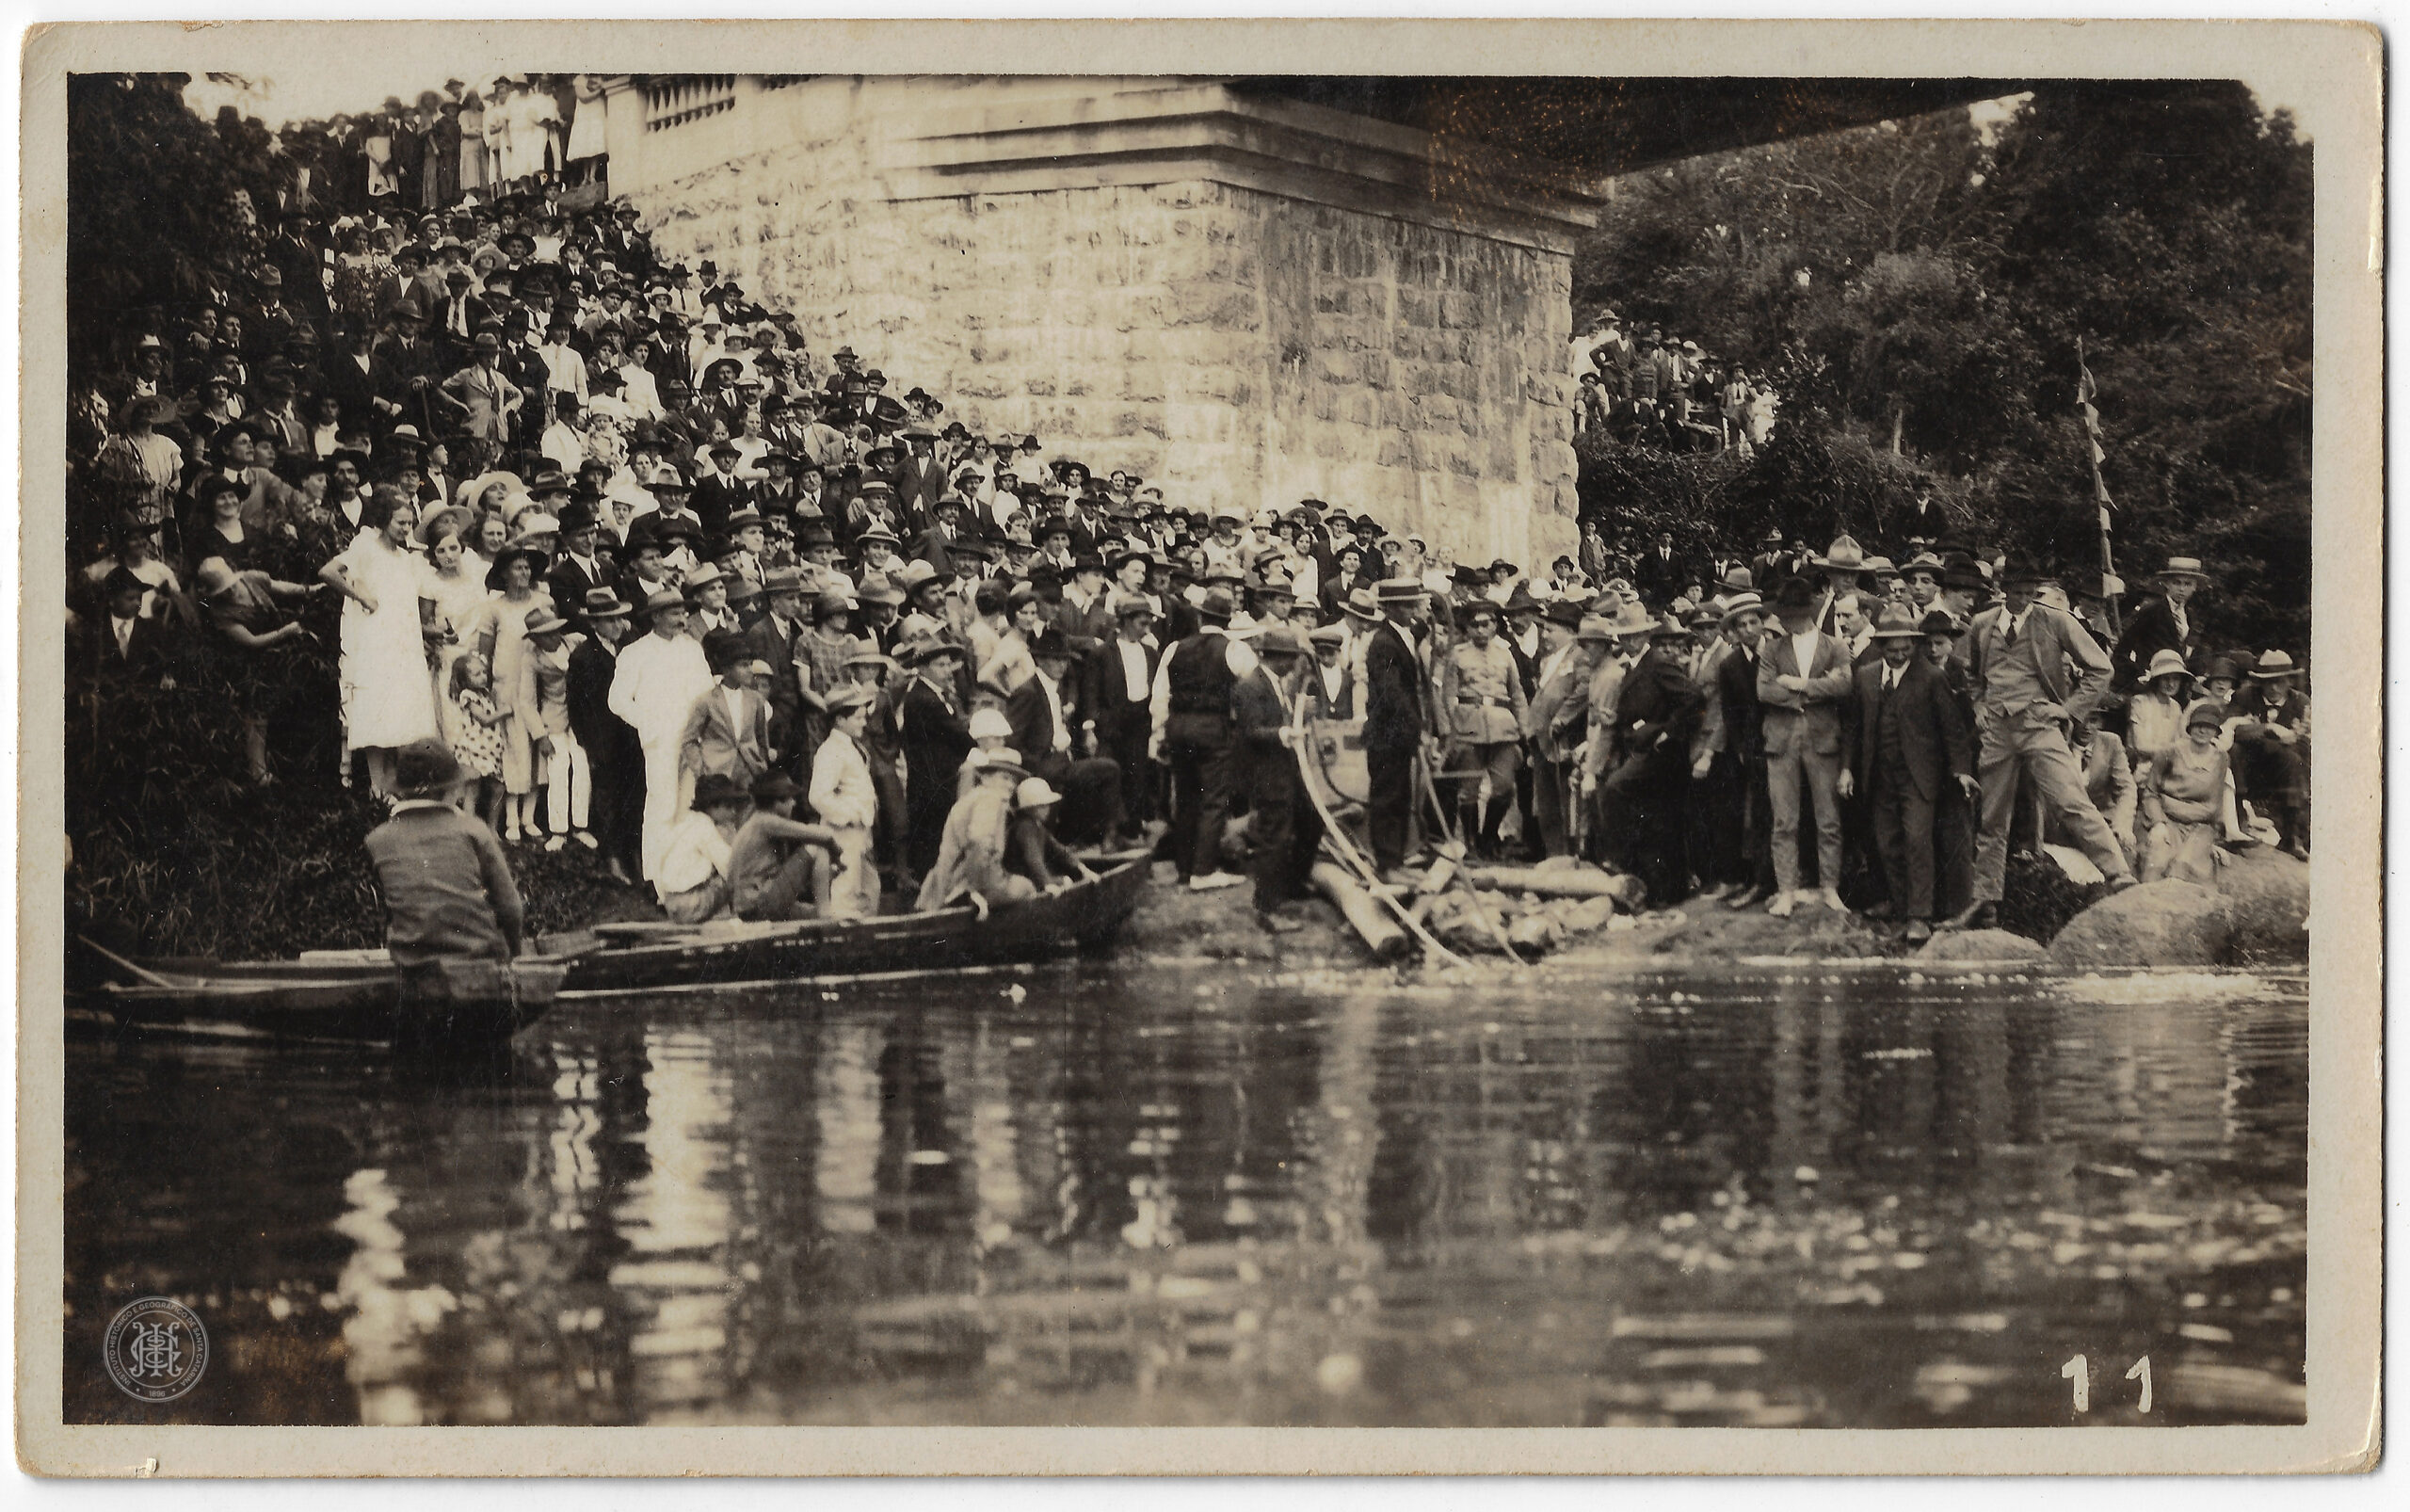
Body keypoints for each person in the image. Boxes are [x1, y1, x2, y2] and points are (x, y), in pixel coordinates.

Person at [1837, 604, 1976, 943]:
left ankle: (1919, 916)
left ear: (1914, 644)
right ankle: (1901, 907)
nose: (1900, 655)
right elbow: (1853, 727)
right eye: (1893, 650)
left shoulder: (1931, 677)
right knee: (1886, 843)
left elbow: (1952, 730)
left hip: (1919, 777)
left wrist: (1961, 771)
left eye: (1906, 649)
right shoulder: (1865, 676)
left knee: (1917, 841)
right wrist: (1846, 769)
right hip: (1879, 776)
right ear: (1881, 646)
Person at [318, 490, 442, 794]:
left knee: (402, 716)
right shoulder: (365, 548)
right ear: (385, 520)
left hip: (404, 647)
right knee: (377, 713)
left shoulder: (406, 559)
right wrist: (361, 597)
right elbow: (328, 572)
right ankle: (377, 789)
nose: (406, 529)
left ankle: (394, 789)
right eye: (400, 522)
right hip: (375, 645)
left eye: (409, 523)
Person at [362, 739, 524, 969]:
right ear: (451, 789)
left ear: (401, 791)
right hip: (476, 960)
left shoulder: (378, 840)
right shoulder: (473, 830)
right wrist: (515, 954)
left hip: (412, 966)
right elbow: (510, 907)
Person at [1756, 576, 1855, 918]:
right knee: (1784, 821)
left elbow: (1844, 685)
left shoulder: (1835, 646)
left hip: (1823, 741)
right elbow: (1764, 691)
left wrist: (1798, 684)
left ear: (1804, 613)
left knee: (1829, 821)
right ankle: (1786, 891)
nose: (1782, 620)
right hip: (1781, 742)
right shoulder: (1772, 649)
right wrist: (1811, 692)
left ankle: (1830, 888)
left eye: (1788, 614)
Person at [607, 587, 716, 884]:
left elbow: (706, 692)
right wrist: (649, 725)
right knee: (662, 804)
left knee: (691, 802)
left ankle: (690, 876)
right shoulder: (635, 653)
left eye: (683, 613)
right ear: (655, 616)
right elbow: (617, 700)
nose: (682, 619)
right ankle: (656, 879)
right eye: (674, 613)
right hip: (661, 740)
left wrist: (703, 728)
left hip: (693, 737)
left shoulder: (692, 649)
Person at [1150, 585, 1251, 891]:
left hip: (1178, 728)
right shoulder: (1235, 649)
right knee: (1214, 799)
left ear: (1201, 617)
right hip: (1213, 729)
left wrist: (1160, 733)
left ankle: (1185, 868)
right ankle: (1204, 871)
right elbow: (1252, 690)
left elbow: (1159, 697)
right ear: (1227, 620)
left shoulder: (1174, 648)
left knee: (1186, 798)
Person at [1599, 613, 1705, 907]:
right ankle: (1659, 892)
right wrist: (1616, 718)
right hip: (1641, 750)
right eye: (1625, 636)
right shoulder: (1633, 667)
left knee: (1616, 788)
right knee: (1655, 822)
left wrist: (1667, 731)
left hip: (1662, 755)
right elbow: (1641, 707)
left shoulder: (1657, 663)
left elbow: (1694, 697)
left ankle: (1618, 858)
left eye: (1636, 635)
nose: (1630, 640)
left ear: (1646, 636)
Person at [1233, 624, 1323, 931]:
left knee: (1311, 820)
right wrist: (1285, 733)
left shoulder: (1276, 684)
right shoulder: (1250, 686)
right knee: (1275, 836)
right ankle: (1267, 908)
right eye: (1291, 658)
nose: (1295, 664)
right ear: (1278, 658)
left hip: (1285, 770)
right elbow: (1251, 731)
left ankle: (1293, 883)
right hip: (1267, 774)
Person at [1437, 599, 1529, 859]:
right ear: (1467, 628)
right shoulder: (1457, 655)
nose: (1480, 630)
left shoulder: (1505, 654)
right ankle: (1470, 843)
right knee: (1468, 790)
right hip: (1469, 727)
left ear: (1494, 626)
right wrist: (1448, 731)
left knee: (1504, 787)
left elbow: (1517, 693)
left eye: (1485, 624)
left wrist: (1525, 727)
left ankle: (1488, 836)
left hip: (1503, 728)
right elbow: (1447, 696)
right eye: (1474, 625)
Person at [568, 588, 645, 886]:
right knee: (607, 800)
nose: (617, 625)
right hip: (603, 740)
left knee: (634, 797)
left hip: (631, 736)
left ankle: (636, 857)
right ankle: (613, 860)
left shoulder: (629, 647)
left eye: (619, 619)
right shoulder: (583, 656)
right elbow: (578, 707)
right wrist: (590, 746)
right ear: (594, 624)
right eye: (610, 620)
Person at [1359, 577, 1429, 880]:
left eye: (1414, 605)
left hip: (1398, 735)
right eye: (1408, 606)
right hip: (1386, 734)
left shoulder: (1401, 635)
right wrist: (1417, 726)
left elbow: (1420, 629)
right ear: (1392, 608)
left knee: (1400, 797)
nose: (1414, 610)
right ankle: (1387, 866)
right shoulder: (1384, 643)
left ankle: (1396, 861)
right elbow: (1393, 694)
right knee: (1387, 799)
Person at [914, 747, 1036, 913]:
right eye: (1005, 778)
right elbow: (979, 843)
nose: (1010, 785)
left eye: (1013, 781)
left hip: (946, 885)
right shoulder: (989, 798)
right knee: (1026, 887)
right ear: (986, 777)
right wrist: (978, 892)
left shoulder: (974, 797)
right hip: (962, 888)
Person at [2140, 701, 2242, 884]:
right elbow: (2151, 793)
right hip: (2168, 820)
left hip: (2201, 828)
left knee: (2183, 865)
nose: (2203, 730)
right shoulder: (2169, 752)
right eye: (2198, 725)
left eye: (2209, 726)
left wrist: (2213, 842)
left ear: (2216, 731)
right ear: (2190, 727)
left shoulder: (2221, 758)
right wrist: (2158, 823)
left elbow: (2216, 803)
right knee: (2156, 863)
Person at [899, 639, 975, 881]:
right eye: (940, 665)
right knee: (933, 839)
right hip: (934, 780)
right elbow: (956, 734)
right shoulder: (925, 699)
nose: (947, 670)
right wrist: (980, 742)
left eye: (948, 664)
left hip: (938, 776)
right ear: (923, 668)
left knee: (936, 837)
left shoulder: (934, 694)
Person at [807, 684, 884, 918]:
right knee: (844, 888)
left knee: (869, 888)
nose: (863, 723)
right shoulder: (830, 751)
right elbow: (818, 796)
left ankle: (864, 932)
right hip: (842, 833)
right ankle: (840, 932)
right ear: (840, 720)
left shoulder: (851, 746)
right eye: (858, 718)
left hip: (860, 833)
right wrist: (850, 816)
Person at [728, 771, 840, 922]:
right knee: (818, 849)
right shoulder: (766, 821)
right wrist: (838, 857)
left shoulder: (753, 822)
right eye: (790, 799)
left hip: (748, 907)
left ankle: (822, 914)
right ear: (777, 802)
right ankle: (825, 913)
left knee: (810, 913)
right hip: (759, 903)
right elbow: (826, 836)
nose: (794, 803)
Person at [653, 772, 752, 923]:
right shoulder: (705, 825)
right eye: (728, 806)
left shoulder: (686, 821)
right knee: (734, 874)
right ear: (712, 806)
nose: (733, 811)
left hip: (671, 903)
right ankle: (740, 916)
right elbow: (729, 865)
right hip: (691, 904)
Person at [682, 644, 775, 788]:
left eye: (750, 665)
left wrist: (760, 764)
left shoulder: (756, 699)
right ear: (727, 669)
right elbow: (689, 740)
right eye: (743, 666)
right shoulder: (707, 700)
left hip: (749, 771)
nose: (750, 670)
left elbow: (762, 738)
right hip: (717, 772)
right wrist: (701, 771)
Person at [2113, 555, 2209, 692]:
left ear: (2195, 587)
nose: (2182, 589)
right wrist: (2139, 674)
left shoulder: (2189, 614)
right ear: (2167, 584)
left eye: (2188, 584)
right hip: (2151, 680)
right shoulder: (2152, 610)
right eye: (2176, 583)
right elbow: (2122, 649)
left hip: (2174, 682)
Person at [445, 651, 511, 828]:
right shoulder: (468, 696)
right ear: (464, 679)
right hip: (474, 749)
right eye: (476, 674)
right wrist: (504, 712)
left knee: (498, 788)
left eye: (483, 672)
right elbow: (485, 719)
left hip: (491, 749)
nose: (483, 677)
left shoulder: (485, 694)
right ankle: (469, 829)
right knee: (472, 790)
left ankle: (492, 828)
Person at [1004, 777, 1100, 893]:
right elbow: (1033, 857)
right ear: (1030, 808)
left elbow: (1059, 851)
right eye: (1042, 806)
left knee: (1065, 880)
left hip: (1032, 877)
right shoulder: (1025, 827)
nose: (1048, 809)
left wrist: (1083, 869)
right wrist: (1047, 883)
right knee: (1062, 883)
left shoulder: (1037, 826)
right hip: (1021, 882)